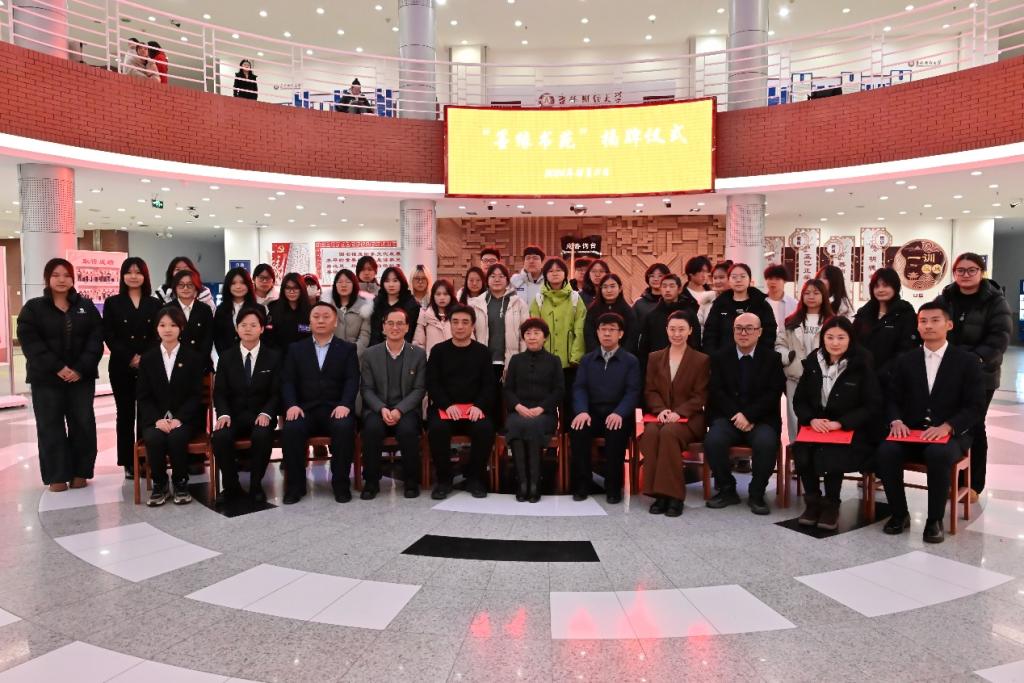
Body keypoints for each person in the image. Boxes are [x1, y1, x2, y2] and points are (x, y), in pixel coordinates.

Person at [876, 302, 987, 543]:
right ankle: (899, 514)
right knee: (886, 451)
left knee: (938, 454)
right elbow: (892, 397)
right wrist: (896, 420)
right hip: (912, 431)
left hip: (950, 433)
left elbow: (976, 405)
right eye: (923, 321)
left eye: (935, 320)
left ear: (949, 325)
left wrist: (948, 426)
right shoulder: (906, 360)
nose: (928, 325)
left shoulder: (967, 361)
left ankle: (934, 519)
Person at [17, 258, 103, 492]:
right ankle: (56, 476)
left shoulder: (86, 306)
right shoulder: (33, 308)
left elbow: (96, 339)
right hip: (45, 379)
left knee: (83, 424)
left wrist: (80, 368)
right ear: (47, 279)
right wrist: (57, 367)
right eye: (56, 275)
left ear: (73, 278)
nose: (62, 279)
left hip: (80, 378)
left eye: (66, 275)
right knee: (50, 426)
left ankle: (81, 471)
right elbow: (30, 342)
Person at [932, 252, 1012, 501]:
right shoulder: (945, 298)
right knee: (949, 422)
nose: (965, 275)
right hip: (948, 373)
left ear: (981, 272)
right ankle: (952, 481)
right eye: (960, 270)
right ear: (954, 273)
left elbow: (999, 338)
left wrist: (973, 361)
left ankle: (973, 485)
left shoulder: (995, 301)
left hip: (981, 374)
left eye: (971, 270)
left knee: (974, 425)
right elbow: (932, 324)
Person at [792, 317, 881, 530]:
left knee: (832, 453)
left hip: (851, 430)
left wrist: (841, 423)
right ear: (823, 338)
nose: (835, 342)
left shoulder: (862, 362)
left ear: (850, 339)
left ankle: (831, 505)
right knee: (802, 449)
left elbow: (872, 405)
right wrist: (811, 419)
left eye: (841, 337)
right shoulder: (814, 360)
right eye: (830, 337)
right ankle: (812, 502)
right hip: (817, 426)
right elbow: (799, 400)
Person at [704, 312, 786, 514]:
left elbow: (773, 393)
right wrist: (737, 415)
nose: (743, 333)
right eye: (739, 328)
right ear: (733, 331)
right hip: (729, 417)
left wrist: (749, 416)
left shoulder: (772, 358)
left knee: (766, 443)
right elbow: (716, 391)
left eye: (749, 328)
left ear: (759, 332)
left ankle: (757, 493)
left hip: (761, 419)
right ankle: (727, 489)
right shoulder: (720, 357)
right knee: (713, 440)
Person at [280, 302, 360, 504]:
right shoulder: (296, 349)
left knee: (344, 427)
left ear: (335, 322)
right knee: (291, 429)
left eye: (326, 316)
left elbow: (352, 379)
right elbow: (288, 380)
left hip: (335, 409)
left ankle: (340, 485)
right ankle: (295, 486)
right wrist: (291, 405)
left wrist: (345, 404)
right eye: (316, 317)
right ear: (309, 322)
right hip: (305, 409)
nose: (321, 320)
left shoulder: (347, 349)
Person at [639, 310, 710, 517]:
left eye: (681, 329)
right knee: (650, 433)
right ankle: (659, 494)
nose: (676, 334)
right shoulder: (655, 357)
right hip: (660, 416)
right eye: (672, 329)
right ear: (666, 330)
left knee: (669, 433)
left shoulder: (701, 360)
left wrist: (679, 413)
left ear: (690, 331)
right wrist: (661, 410)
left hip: (690, 419)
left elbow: (700, 395)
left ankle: (674, 496)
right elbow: (650, 390)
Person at [426, 305, 497, 500]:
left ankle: (475, 478)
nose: (460, 326)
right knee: (437, 429)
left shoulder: (482, 352)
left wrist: (479, 406)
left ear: (472, 326)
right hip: (446, 408)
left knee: (485, 429)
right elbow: (432, 383)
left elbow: (489, 385)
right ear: (449, 324)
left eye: (465, 322)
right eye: (455, 322)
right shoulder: (438, 351)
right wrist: (447, 405)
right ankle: (444, 480)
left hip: (474, 409)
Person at [569, 312, 641, 503]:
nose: (607, 333)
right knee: (578, 430)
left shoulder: (630, 361)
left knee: (616, 434)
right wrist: (582, 411)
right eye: (603, 329)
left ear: (621, 334)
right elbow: (579, 387)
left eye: (612, 330)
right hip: (592, 413)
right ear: (597, 332)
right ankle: (582, 484)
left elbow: (633, 392)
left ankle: (613, 487)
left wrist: (619, 413)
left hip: (618, 413)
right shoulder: (587, 360)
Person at [137, 306, 205, 506]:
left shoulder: (192, 357)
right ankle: (160, 484)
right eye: (163, 325)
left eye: (173, 325)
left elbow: (195, 395)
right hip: (155, 419)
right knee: (154, 438)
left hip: (184, 418)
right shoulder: (148, 359)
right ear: (156, 328)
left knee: (177, 437)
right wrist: (157, 420)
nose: (168, 329)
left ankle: (180, 482)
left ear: (181, 327)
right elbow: (143, 396)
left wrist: (179, 419)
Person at [211, 307, 280, 505]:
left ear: (262, 329)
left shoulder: (273, 357)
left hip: (261, 414)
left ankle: (256, 485)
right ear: (236, 328)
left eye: (253, 325)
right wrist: (223, 415)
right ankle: (231, 486)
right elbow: (220, 392)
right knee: (220, 436)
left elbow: (276, 392)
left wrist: (267, 413)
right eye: (243, 325)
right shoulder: (226, 357)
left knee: (262, 435)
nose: (248, 329)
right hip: (233, 415)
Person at [360, 306, 427, 499]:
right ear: (383, 327)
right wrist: (381, 408)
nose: (395, 327)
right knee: (372, 430)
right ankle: (371, 482)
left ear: (407, 327)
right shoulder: (370, 354)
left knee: (408, 431)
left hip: (406, 410)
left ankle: (411, 481)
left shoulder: (418, 354)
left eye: (399, 323)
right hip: (377, 409)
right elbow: (366, 389)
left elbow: (419, 389)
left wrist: (399, 410)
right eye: (390, 323)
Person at [102, 257, 161, 479]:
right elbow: (109, 335)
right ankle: (128, 461)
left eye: (138, 272)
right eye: (129, 272)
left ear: (145, 276)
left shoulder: (154, 303)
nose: (134, 276)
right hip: (121, 365)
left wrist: (144, 358)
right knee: (125, 414)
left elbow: (158, 334)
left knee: (147, 413)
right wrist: (130, 357)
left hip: (149, 366)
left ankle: (146, 457)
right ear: (123, 276)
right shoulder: (113, 302)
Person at [503, 318, 564, 503]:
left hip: (544, 414)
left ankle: (535, 483)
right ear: (523, 338)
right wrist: (518, 406)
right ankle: (522, 483)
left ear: (545, 337)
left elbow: (559, 390)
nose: (532, 337)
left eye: (537, 333)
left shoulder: (554, 361)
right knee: (515, 424)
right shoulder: (516, 360)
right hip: (518, 411)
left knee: (533, 425)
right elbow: (508, 389)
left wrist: (541, 408)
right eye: (528, 333)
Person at [776, 279, 834, 442]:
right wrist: (789, 358)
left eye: (816, 293)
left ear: (824, 295)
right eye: (807, 293)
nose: (811, 296)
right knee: (795, 417)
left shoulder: (831, 321)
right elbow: (779, 345)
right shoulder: (791, 320)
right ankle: (795, 451)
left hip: (824, 377)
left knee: (821, 417)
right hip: (795, 376)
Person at [529, 258, 586, 424]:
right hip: (544, 360)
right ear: (545, 275)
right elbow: (533, 329)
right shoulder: (538, 299)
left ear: (565, 274)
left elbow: (580, 329)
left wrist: (575, 357)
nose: (555, 274)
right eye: (550, 271)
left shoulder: (575, 298)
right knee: (546, 401)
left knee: (568, 401)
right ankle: (548, 434)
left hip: (569, 362)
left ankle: (568, 434)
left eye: (559, 270)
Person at [853, 267, 918, 390]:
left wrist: (883, 373)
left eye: (886, 285)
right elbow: (853, 344)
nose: (880, 290)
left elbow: (906, 350)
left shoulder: (906, 314)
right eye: (876, 286)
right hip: (862, 378)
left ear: (895, 287)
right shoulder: (863, 314)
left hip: (892, 381)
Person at [468, 264, 529, 380]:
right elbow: (470, 333)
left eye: (501, 276)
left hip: (511, 362)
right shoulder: (476, 304)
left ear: (507, 280)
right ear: (487, 280)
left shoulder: (519, 303)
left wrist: (523, 360)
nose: (497, 279)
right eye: (493, 276)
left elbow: (525, 334)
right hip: (483, 362)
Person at [701, 263, 777, 356]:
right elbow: (710, 334)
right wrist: (714, 356)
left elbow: (769, 333)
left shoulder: (761, 304)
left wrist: (761, 356)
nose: (738, 280)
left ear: (750, 280)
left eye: (743, 276)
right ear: (729, 280)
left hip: (756, 359)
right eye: (734, 277)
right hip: (724, 359)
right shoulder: (720, 304)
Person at [637, 274, 700, 363]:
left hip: (685, 362)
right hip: (658, 363)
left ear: (679, 289)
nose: (667, 289)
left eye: (671, 286)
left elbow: (695, 341)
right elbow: (644, 346)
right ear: (660, 289)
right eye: (664, 286)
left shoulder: (689, 313)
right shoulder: (652, 315)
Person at [168, 269, 214, 371]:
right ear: (175, 288)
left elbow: (208, 339)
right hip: (173, 364)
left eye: (190, 285)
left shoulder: (205, 309)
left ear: (196, 288)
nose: (185, 288)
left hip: (200, 364)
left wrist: (198, 361)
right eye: (181, 285)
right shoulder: (167, 309)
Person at [583, 273, 637, 354]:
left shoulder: (628, 311)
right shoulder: (593, 310)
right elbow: (589, 335)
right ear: (600, 289)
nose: (609, 290)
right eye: (605, 287)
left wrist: (620, 355)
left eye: (612, 286)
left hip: (622, 356)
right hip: (597, 356)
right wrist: (599, 354)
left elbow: (632, 337)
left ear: (620, 288)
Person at [369, 267, 420, 346]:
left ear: (402, 282)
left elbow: (410, 333)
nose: (391, 284)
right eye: (387, 281)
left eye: (395, 280)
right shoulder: (377, 303)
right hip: (379, 348)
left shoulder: (411, 305)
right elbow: (374, 333)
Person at [213, 267, 258, 355]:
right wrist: (225, 356)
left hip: (253, 357)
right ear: (228, 286)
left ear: (249, 285)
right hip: (227, 357)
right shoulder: (221, 310)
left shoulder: (258, 309)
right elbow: (217, 337)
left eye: (243, 282)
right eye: (233, 283)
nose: (238, 286)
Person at [265, 272, 312, 350]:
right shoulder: (273, 307)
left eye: (296, 288)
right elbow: (268, 334)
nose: (291, 291)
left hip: (303, 353)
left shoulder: (310, 310)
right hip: (279, 354)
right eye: (288, 288)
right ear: (283, 289)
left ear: (302, 289)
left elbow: (312, 334)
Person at [331, 269, 372, 356]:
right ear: (335, 285)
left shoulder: (364, 307)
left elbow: (365, 335)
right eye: (340, 282)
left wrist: (352, 354)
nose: (344, 285)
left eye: (348, 282)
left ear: (354, 284)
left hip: (355, 356)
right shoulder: (328, 306)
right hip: (332, 355)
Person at [414, 279, 458, 358]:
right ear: (433, 296)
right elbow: (419, 343)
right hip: (433, 360)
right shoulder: (424, 315)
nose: (442, 297)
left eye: (445, 294)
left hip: (456, 359)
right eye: (438, 294)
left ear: (451, 295)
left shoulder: (458, 315)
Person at [632, 262, 669, 343]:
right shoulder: (639, 304)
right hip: (645, 347)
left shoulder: (673, 302)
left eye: (660, 276)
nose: (656, 279)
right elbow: (632, 330)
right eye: (652, 276)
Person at [764, 264, 798, 333]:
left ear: (784, 281)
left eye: (777, 279)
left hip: (787, 338)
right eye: (770, 278)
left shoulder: (794, 304)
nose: (773, 282)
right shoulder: (759, 302)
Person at [701, 260, 733, 328]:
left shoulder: (739, 300)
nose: (717, 281)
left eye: (721, 277)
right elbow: (699, 326)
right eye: (715, 278)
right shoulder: (706, 301)